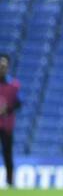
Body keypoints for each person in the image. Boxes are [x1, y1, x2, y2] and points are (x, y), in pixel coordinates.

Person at [0, 53, 21, 187]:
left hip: (6, 124)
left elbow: (19, 103)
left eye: (4, 65)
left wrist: (6, 109)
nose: (2, 67)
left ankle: (10, 182)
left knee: (8, 153)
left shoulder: (14, 85)